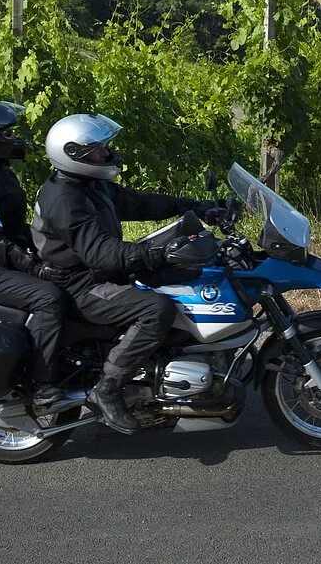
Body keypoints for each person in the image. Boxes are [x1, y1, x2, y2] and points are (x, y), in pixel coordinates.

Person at [31, 113, 220, 434]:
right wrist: (157, 254)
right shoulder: (66, 199)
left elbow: (135, 202)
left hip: (93, 273)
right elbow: (101, 254)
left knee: (185, 275)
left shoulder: (86, 184)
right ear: (73, 154)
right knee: (156, 310)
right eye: (98, 150)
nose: (106, 154)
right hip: (81, 285)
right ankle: (107, 388)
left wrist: (192, 206)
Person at [0, 101, 73, 411]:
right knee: (48, 297)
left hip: (3, 260)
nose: (15, 138)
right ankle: (42, 383)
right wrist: (35, 267)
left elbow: (15, 228)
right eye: (7, 132)